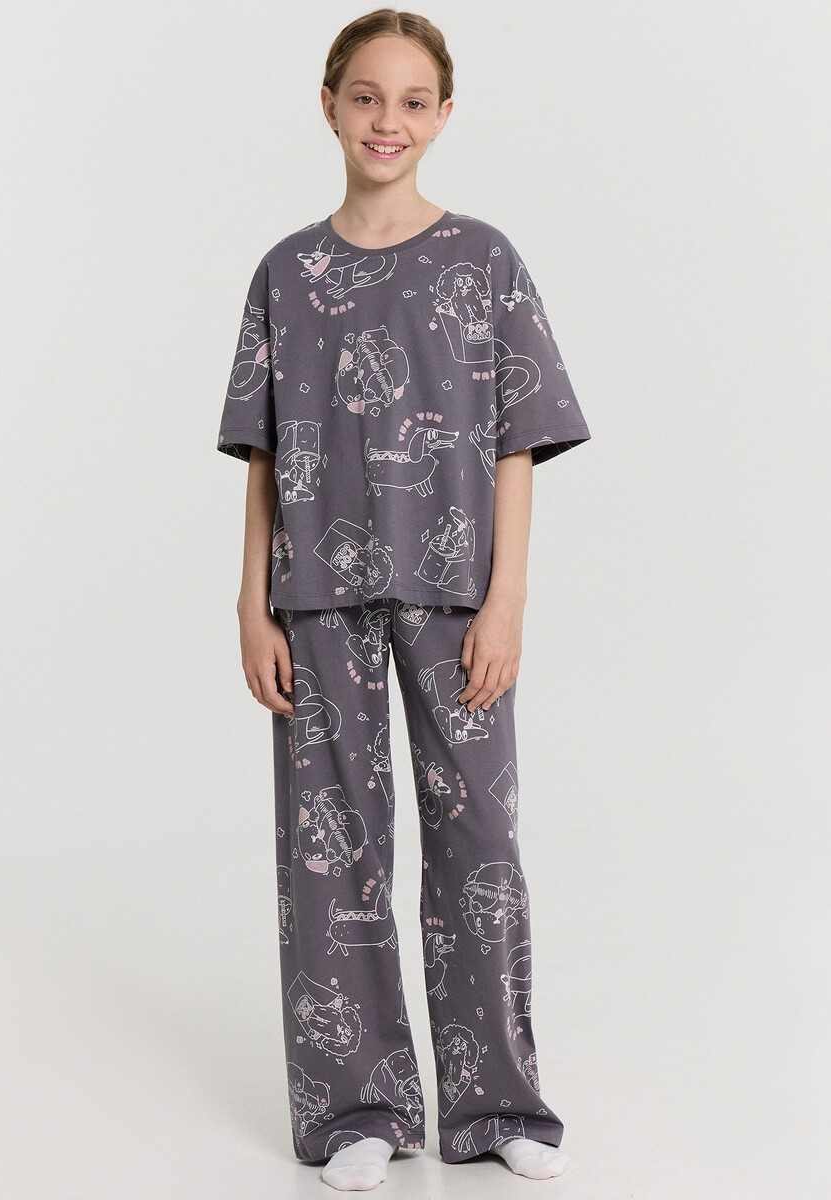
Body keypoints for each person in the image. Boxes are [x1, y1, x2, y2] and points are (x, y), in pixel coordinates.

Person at [216, 8, 591, 1191]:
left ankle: (498, 1106)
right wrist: (251, 606)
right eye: (367, 96)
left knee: (479, 838)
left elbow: (518, 440)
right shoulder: (286, 273)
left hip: (456, 594)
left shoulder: (485, 259)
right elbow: (265, 456)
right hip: (315, 596)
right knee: (331, 851)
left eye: (413, 100)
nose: (389, 120)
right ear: (329, 104)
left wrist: (508, 598)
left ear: (444, 114)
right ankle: (358, 1109)